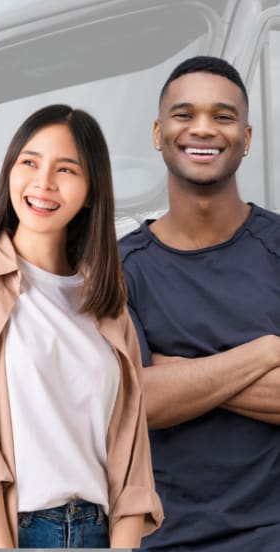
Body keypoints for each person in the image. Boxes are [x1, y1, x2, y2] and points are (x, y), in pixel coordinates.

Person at [0, 104, 163, 548]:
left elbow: (132, 457)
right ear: (10, 172)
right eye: (30, 162)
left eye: (66, 169)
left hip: (98, 532)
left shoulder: (108, 302)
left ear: (91, 191)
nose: (44, 182)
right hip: (13, 531)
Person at [119, 56, 280, 550]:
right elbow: (133, 403)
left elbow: (149, 390)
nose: (203, 129)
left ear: (246, 138)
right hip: (166, 538)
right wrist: (266, 351)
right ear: (158, 133)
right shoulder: (120, 269)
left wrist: (174, 373)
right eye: (184, 114)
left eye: (223, 116)